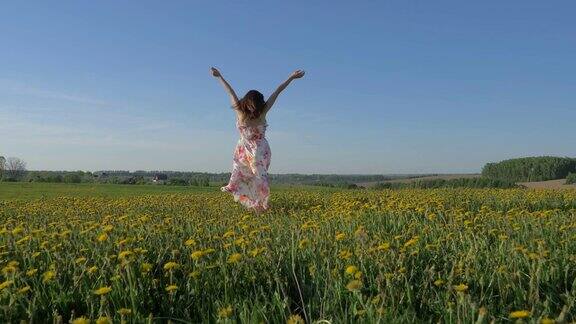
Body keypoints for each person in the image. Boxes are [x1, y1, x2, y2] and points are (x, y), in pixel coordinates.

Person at [211, 67, 305, 211]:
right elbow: (276, 92)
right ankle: (257, 204)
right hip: (250, 149)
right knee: (246, 174)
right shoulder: (253, 112)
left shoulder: (250, 112)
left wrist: (219, 76)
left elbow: (276, 91)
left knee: (256, 176)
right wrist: (219, 76)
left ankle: (260, 205)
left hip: (256, 151)